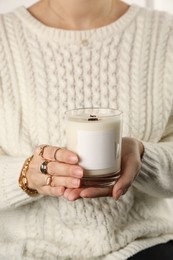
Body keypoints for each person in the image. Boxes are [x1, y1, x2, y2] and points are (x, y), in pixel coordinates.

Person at [0, 0, 173, 259]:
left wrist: (143, 157)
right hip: (27, 250)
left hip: (142, 245)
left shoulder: (165, 34)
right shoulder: (5, 37)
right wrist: (26, 176)